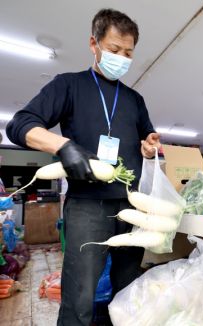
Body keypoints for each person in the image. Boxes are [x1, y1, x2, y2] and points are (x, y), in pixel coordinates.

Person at [6, 8, 160, 325]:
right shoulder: (69, 86)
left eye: (128, 53)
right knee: (80, 294)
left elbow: (148, 137)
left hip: (130, 206)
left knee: (128, 288)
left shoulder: (135, 99)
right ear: (94, 44)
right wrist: (63, 146)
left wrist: (149, 146)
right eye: (115, 50)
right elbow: (20, 125)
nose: (122, 58)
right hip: (87, 207)